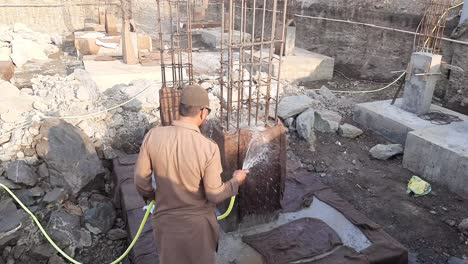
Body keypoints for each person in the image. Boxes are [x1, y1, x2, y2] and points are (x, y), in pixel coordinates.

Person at [134, 84, 249, 264]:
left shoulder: (152, 136)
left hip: (165, 225)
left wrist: (154, 198)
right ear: (202, 112)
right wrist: (236, 181)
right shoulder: (208, 147)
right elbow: (214, 194)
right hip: (198, 229)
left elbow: (141, 181)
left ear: (180, 108)